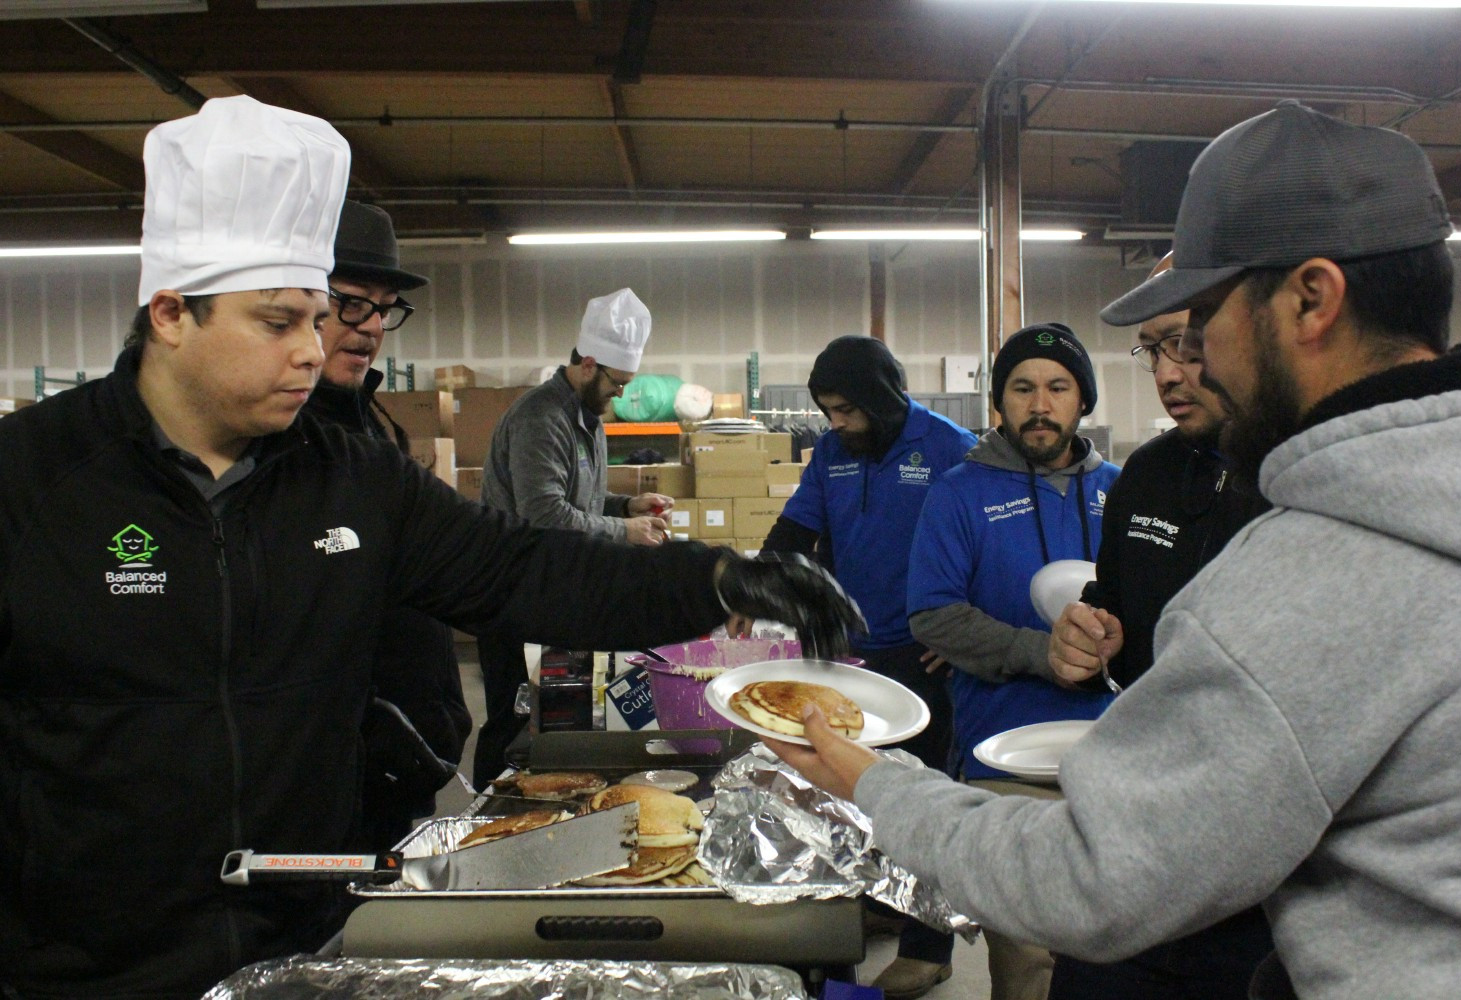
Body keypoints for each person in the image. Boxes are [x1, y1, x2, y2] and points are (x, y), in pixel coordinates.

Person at [0, 95, 863, 1000]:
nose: (315, 349)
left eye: (315, 316)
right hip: (80, 959)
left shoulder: (352, 478)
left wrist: (721, 577)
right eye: (279, 321)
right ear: (172, 313)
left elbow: (523, 569)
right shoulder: (31, 481)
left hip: (303, 939)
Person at [769, 101, 1461, 1000]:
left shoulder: (1314, 576)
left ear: (1311, 300)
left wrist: (874, 783)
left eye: (1203, 321)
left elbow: (1093, 878)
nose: (1193, 363)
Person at [1044, 253, 1273, 999]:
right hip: (1139, 830)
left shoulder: (1296, 481)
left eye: (1188, 341)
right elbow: (1112, 601)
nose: (1169, 374)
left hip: (1260, 867)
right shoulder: (1145, 474)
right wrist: (1087, 634)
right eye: (1153, 350)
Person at [748, 334, 976, 1000]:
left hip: (922, 655)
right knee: (855, 794)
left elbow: (980, 544)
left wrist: (959, 631)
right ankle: (886, 898)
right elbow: (794, 529)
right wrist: (755, 584)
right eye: (829, 412)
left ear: (882, 398)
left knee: (923, 797)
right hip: (854, 652)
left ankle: (929, 947)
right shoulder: (835, 455)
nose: (838, 424)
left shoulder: (949, 450)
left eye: (848, 410)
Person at [904, 321, 1120, 1000]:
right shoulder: (958, 493)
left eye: (1058, 387)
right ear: (1000, 402)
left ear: (1082, 400)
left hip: (1115, 751)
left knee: (1113, 947)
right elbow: (934, 614)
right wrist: (1040, 655)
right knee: (1028, 960)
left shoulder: (1125, 489)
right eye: (1022, 388)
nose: (1039, 403)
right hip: (1002, 754)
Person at [301, 199, 472, 851]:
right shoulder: (281, 440)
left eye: (383, 308)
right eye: (352, 303)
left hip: (402, 770)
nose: (371, 326)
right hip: (339, 787)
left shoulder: (370, 424)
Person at [472, 287, 675, 783]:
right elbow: (543, 516)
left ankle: (543, 805)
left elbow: (578, 502)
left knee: (554, 717)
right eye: (617, 383)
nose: (623, 395)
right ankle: (485, 815)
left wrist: (626, 505)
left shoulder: (589, 420)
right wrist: (624, 531)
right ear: (588, 364)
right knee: (514, 721)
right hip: (512, 599)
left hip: (556, 593)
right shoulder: (541, 419)